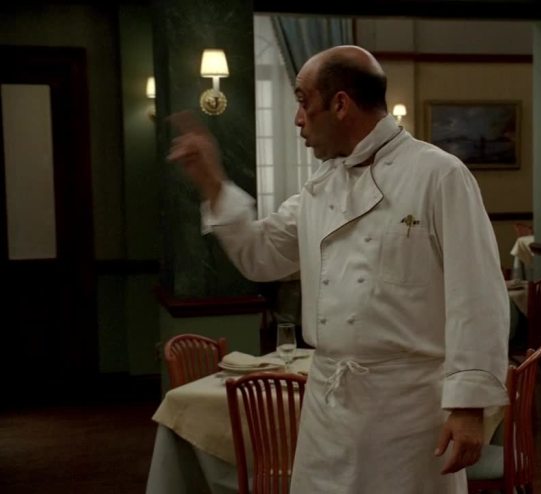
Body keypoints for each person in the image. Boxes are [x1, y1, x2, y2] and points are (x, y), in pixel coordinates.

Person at [169, 45, 509, 494]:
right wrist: (213, 184)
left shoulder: (439, 175)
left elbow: (478, 297)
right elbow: (261, 255)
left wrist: (468, 407)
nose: (297, 119)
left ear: (341, 104)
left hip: (406, 411)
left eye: (302, 101)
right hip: (327, 406)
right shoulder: (320, 187)